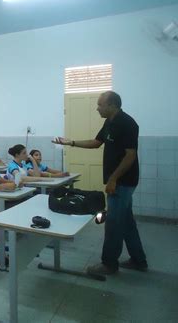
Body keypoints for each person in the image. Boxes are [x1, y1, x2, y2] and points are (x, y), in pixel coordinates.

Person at [53, 91, 147, 275]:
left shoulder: (127, 123)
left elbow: (130, 155)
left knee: (112, 222)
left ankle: (109, 264)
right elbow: (96, 142)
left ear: (112, 105)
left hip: (123, 182)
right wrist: (70, 142)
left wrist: (113, 179)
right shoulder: (109, 122)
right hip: (119, 182)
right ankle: (138, 260)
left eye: (100, 104)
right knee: (126, 221)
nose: (97, 108)